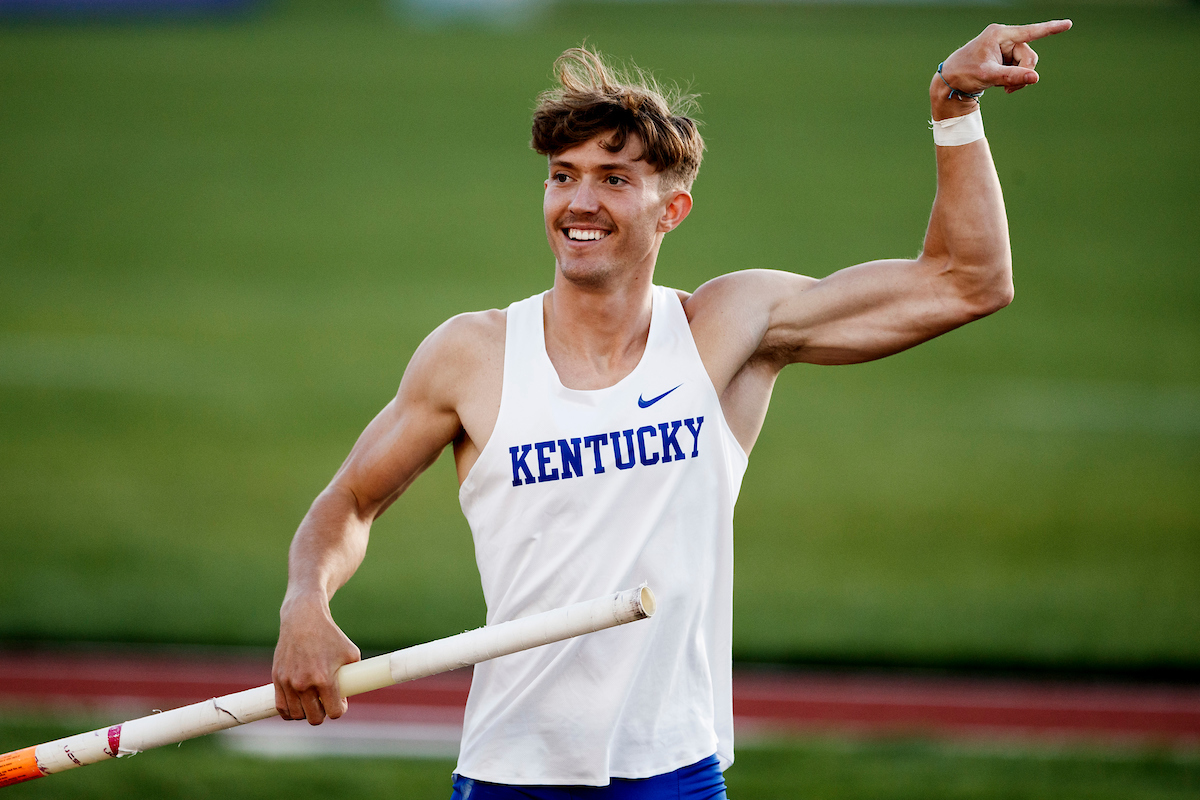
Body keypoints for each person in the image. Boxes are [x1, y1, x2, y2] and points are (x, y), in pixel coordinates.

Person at [272, 20, 1072, 798]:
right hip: (511, 771)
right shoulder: (471, 354)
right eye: (564, 174)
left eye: (613, 179)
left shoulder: (728, 329)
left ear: (672, 210)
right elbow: (350, 500)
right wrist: (306, 603)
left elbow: (967, 282)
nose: (579, 202)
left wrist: (955, 108)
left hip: (673, 771)